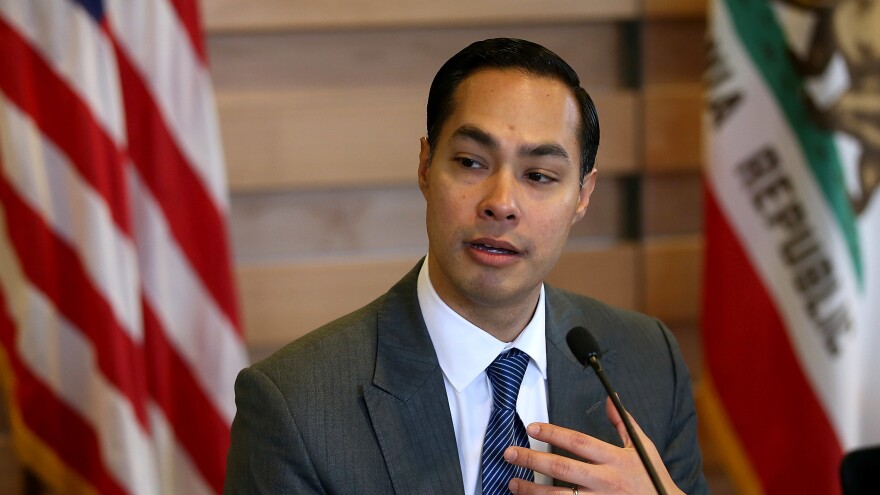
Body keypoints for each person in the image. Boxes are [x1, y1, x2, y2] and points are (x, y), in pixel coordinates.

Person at [223, 38, 708, 495]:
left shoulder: (648, 362)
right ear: (425, 166)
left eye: (539, 175)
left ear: (582, 196)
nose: (501, 204)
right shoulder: (296, 404)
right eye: (472, 162)